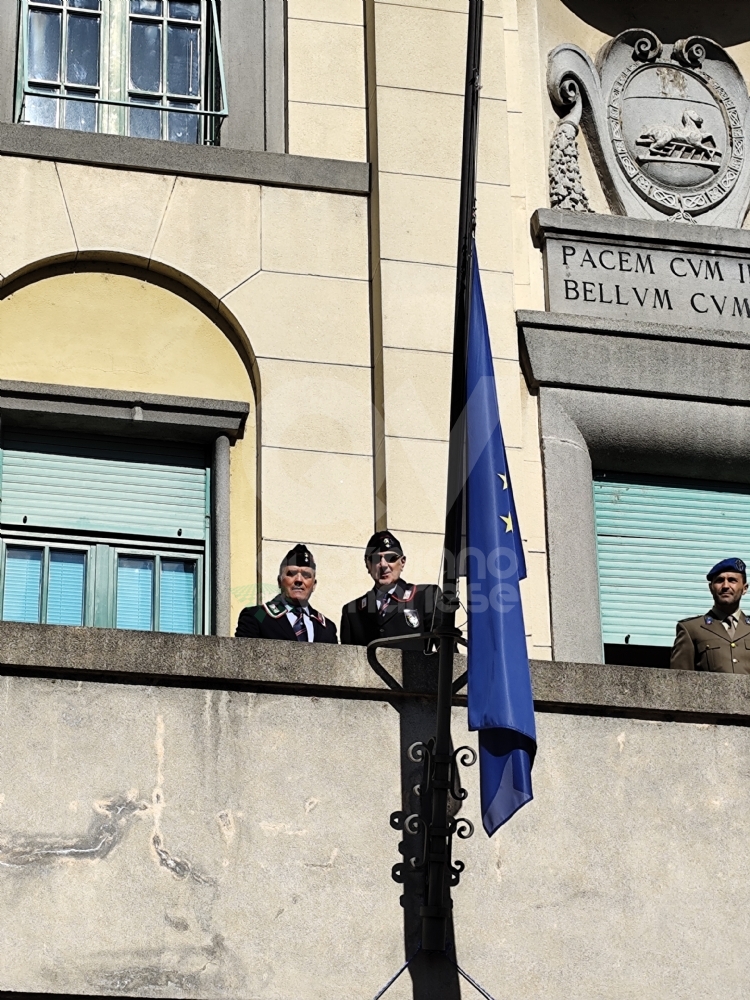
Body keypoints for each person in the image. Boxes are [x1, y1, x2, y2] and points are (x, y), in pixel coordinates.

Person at [340, 530, 440, 651]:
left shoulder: (425, 596)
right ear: (368, 564)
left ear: (402, 562)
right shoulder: (353, 611)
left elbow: (448, 652)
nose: (383, 565)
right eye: (376, 558)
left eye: (391, 558)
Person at [235, 543, 338, 643]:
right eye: (291, 574)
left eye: (306, 575)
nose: (299, 580)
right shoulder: (257, 616)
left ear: (314, 585)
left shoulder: (327, 627)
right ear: (279, 582)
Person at [670, 557, 750, 672]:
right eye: (719, 580)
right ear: (711, 588)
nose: (725, 586)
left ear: (744, 588)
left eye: (732, 580)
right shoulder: (691, 629)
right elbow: (678, 681)